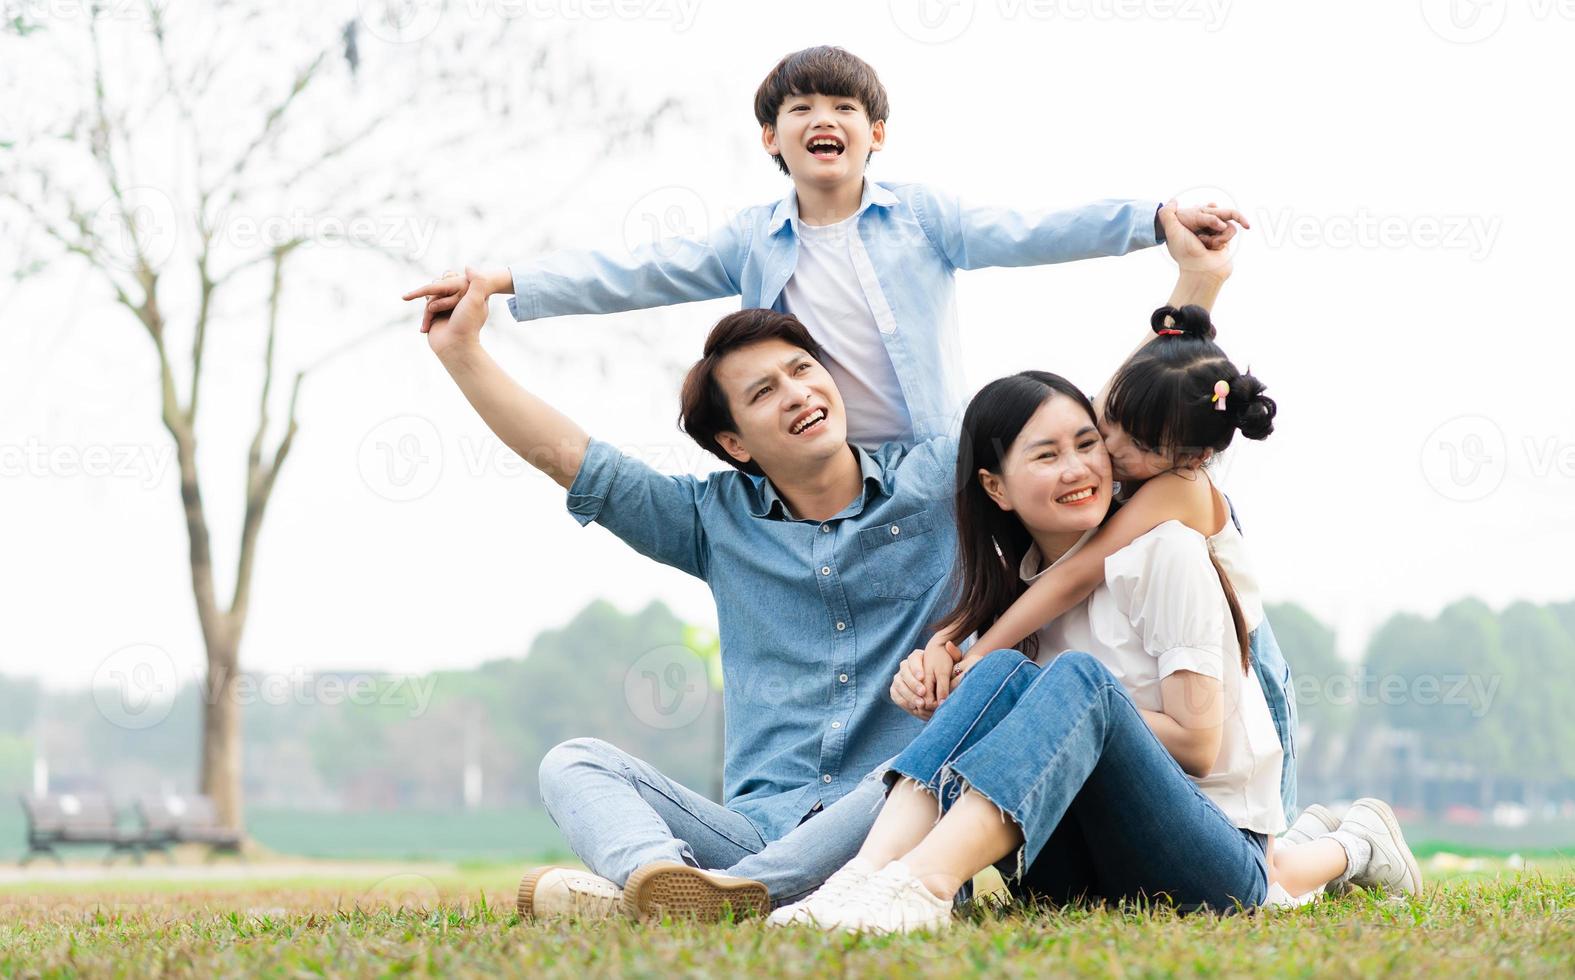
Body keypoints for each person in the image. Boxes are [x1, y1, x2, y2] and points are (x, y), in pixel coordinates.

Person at [771, 317, 1419, 935]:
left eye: (1086, 443)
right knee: (1004, 673)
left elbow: (1195, 742)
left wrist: (1071, 701)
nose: (1089, 461)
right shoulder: (1019, 583)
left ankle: (922, 887)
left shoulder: (1167, 536)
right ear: (995, 488)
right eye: (1049, 453)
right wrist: (944, 664)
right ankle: (860, 882)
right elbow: (1041, 600)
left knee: (1072, 680)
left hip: (1216, 853)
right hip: (1076, 861)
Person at [403, 44, 1243, 449]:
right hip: (822, 459)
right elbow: (637, 272)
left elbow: (1028, 230)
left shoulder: (922, 217)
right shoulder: (751, 239)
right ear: (771, 138)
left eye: (841, 108)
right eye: (799, 109)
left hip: (927, 455)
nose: (821, 120)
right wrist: (505, 280)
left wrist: (1151, 216)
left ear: (874, 133)